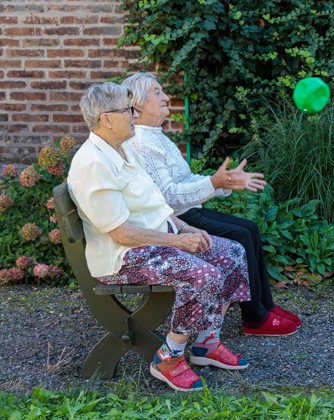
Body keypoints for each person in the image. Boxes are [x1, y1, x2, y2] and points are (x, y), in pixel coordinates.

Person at [68, 82, 252, 393]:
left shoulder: (122, 149)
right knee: (202, 274)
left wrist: (183, 228)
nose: (133, 115)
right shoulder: (93, 164)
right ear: (106, 119)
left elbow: (155, 204)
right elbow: (122, 233)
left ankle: (206, 343)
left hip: (153, 241)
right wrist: (179, 242)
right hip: (123, 256)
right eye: (127, 110)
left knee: (231, 252)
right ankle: (168, 357)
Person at [122, 72, 302, 336]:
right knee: (241, 236)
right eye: (157, 92)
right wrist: (213, 183)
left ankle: (265, 306)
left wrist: (221, 184)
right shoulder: (142, 142)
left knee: (250, 228)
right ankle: (255, 318)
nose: (166, 97)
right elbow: (169, 197)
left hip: (190, 211)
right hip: (177, 221)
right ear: (137, 104)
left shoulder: (156, 136)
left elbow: (185, 181)